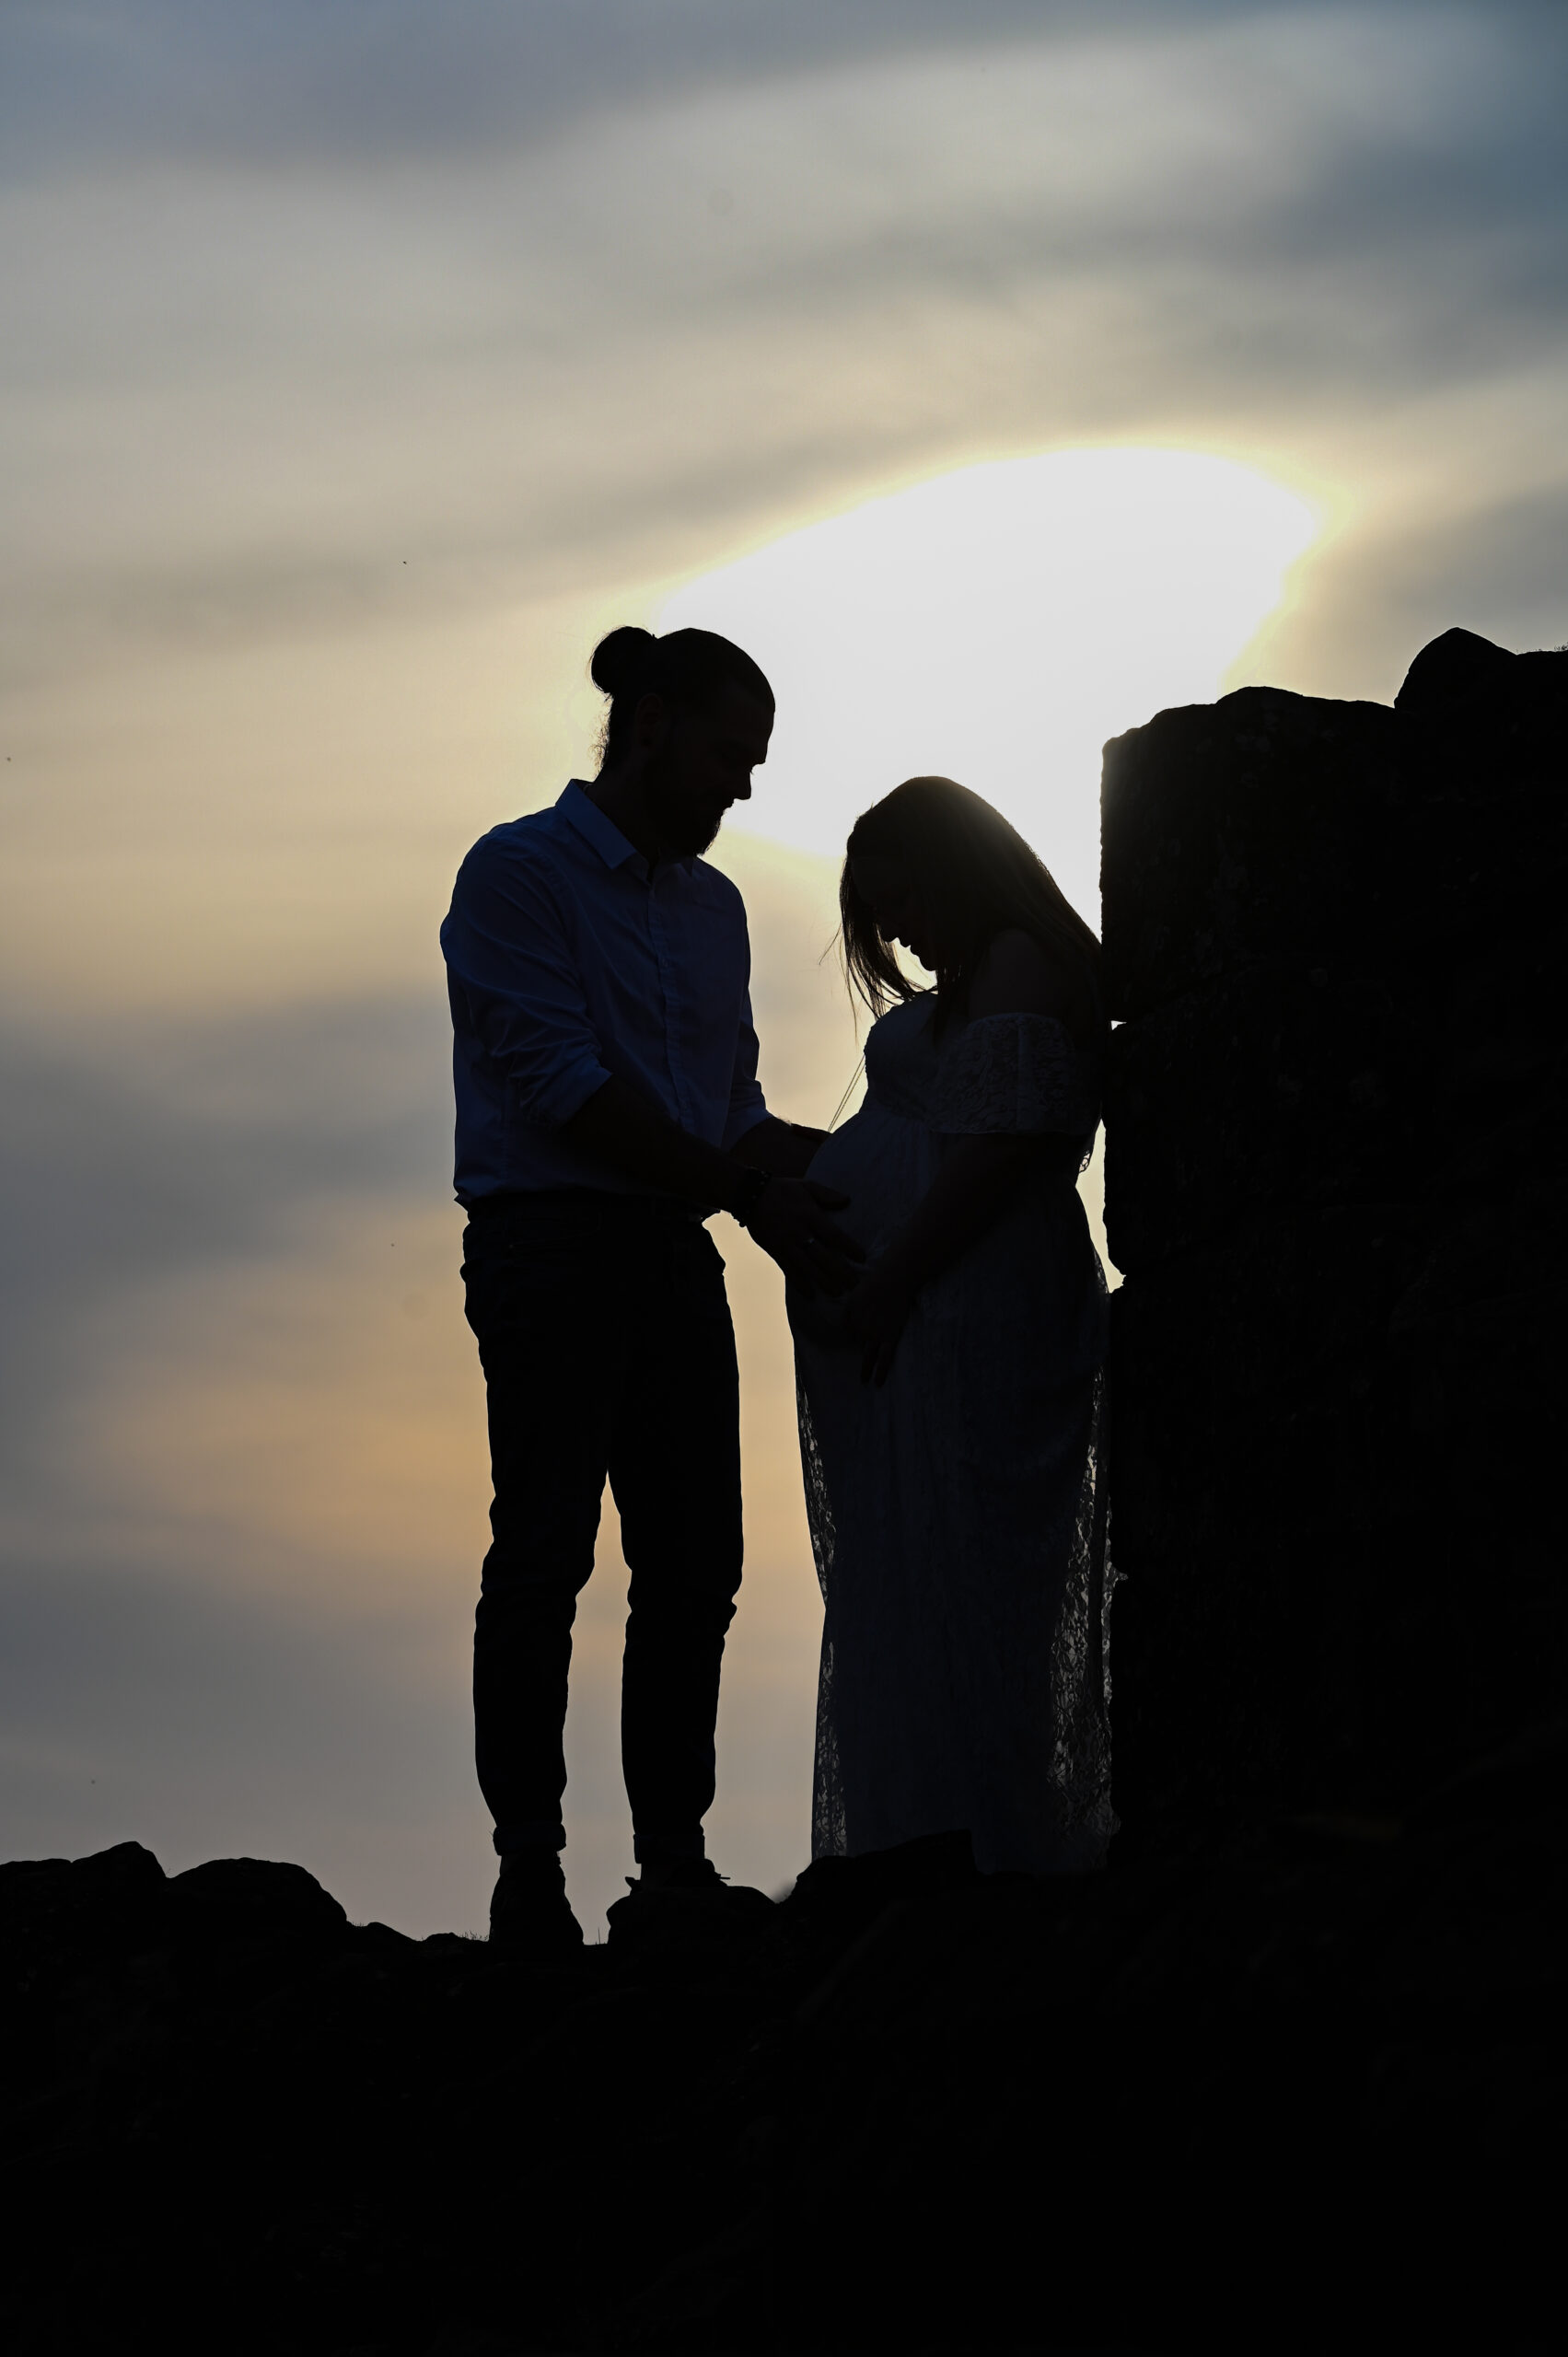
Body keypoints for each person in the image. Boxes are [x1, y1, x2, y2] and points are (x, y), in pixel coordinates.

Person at [441, 625, 862, 1954]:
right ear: (655, 724)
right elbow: (563, 1088)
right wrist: (749, 1193)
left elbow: (722, 1109)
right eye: (730, 758)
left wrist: (877, 1158)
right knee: (547, 1554)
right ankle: (529, 1872)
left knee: (695, 1567)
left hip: (672, 1243)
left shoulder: (710, 909)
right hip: (550, 1247)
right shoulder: (516, 873)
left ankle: (669, 1864)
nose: (740, 790)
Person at [790, 776, 1113, 1877]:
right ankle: (935, 1836)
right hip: (935, 1308)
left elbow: (996, 1153)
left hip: (975, 1308)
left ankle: (989, 1845)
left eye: (903, 908)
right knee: (926, 1588)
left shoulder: (1020, 959)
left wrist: (889, 1283)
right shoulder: (988, 972)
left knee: (975, 1586)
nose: (902, 940)